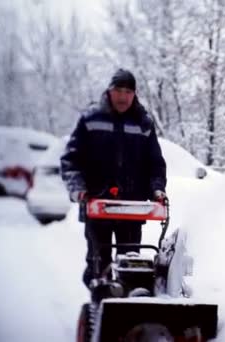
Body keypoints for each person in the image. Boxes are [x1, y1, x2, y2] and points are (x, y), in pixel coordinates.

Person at [60, 68, 167, 287]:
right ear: (109, 91)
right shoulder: (91, 119)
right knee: (99, 266)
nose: (123, 96)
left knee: (132, 266)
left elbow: (155, 163)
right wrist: (78, 189)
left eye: (128, 91)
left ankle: (128, 310)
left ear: (134, 94)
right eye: (118, 90)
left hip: (131, 207)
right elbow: (71, 160)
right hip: (97, 205)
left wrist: (157, 189)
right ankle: (97, 310)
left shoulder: (143, 123)